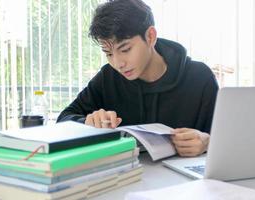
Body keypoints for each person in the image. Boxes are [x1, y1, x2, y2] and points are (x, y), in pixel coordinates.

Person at [57, 0, 219, 157]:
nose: (118, 63)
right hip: (127, 178)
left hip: (188, 182)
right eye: (109, 54)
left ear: (150, 36)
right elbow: (63, 120)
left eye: (125, 49)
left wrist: (209, 143)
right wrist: (87, 122)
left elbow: (229, 142)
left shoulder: (200, 77)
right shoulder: (108, 77)